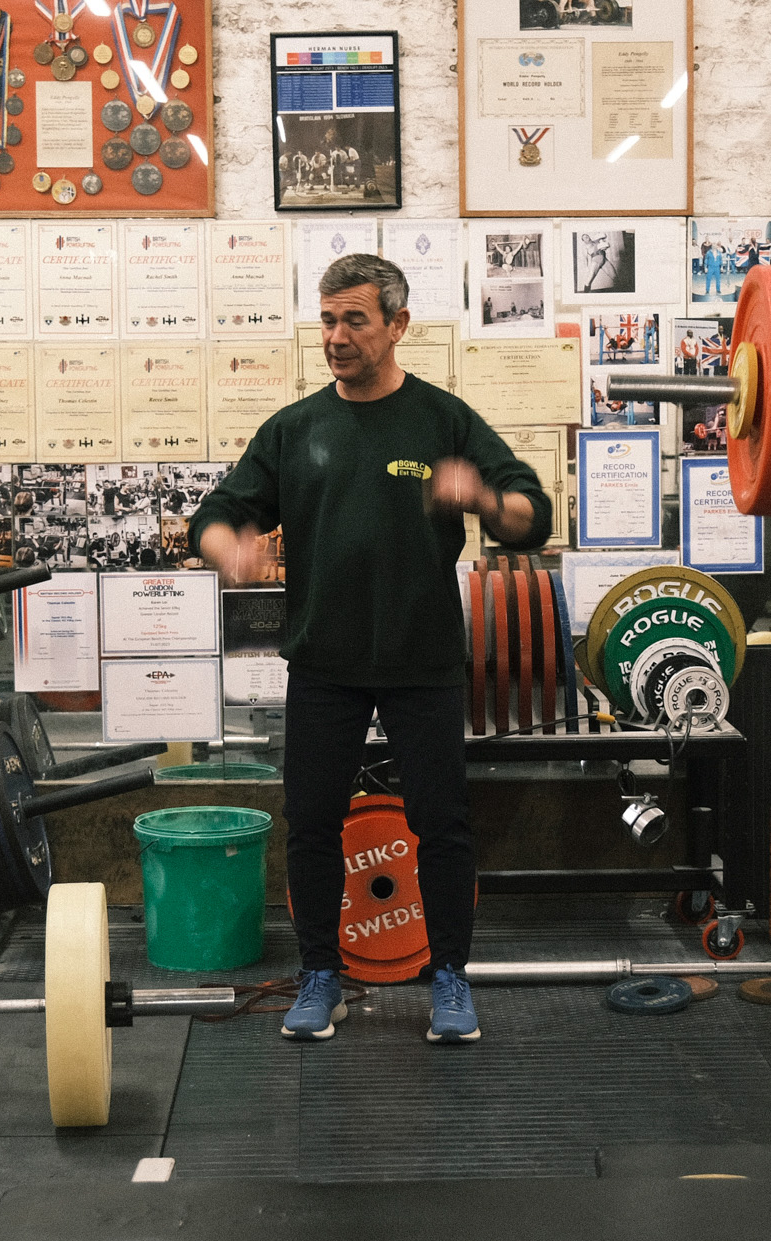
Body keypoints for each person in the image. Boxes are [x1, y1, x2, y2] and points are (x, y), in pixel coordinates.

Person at [190, 254, 551, 1046]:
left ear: (397, 325)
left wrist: (485, 499)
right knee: (313, 822)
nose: (337, 337)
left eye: (355, 320)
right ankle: (322, 973)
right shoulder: (295, 429)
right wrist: (230, 550)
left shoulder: (442, 418)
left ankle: (449, 975)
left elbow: (533, 514)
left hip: (423, 662)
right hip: (324, 662)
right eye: (326, 320)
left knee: (442, 824)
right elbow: (215, 513)